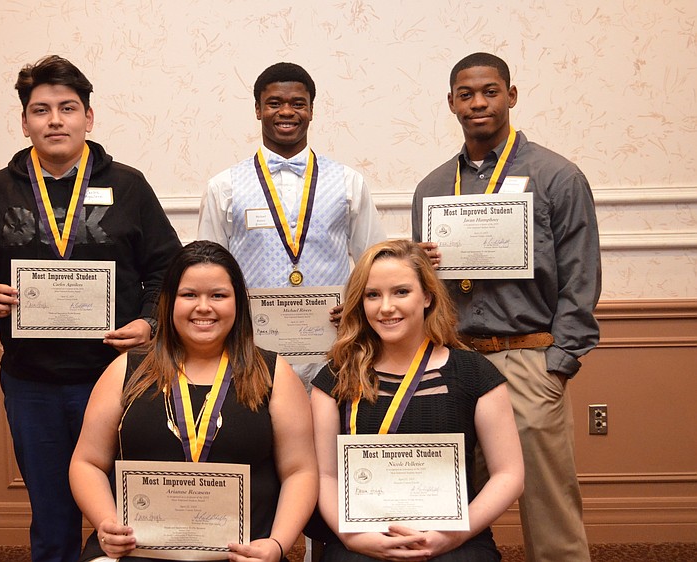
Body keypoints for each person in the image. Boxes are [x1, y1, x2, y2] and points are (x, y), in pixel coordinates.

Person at [0, 55, 182, 562]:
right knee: (52, 514)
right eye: (41, 110)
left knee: (122, 516)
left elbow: (168, 269)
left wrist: (148, 321)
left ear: (88, 118)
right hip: (31, 380)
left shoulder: (129, 185)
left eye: (67, 108)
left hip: (117, 376)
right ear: (25, 121)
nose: (55, 120)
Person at [412, 52, 601, 562]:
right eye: (466, 94)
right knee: (452, 505)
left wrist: (557, 365)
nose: (479, 103)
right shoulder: (432, 189)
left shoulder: (557, 176)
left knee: (548, 507)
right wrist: (420, 264)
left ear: (511, 96)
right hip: (452, 361)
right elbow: (419, 293)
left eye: (490, 91)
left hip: (527, 359)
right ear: (451, 103)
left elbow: (581, 278)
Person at [69, 240, 318, 562]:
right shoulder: (127, 369)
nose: (204, 307)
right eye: (189, 295)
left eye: (218, 295)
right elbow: (86, 462)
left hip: (243, 555)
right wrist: (106, 524)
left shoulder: (274, 373)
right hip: (137, 551)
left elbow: (300, 471)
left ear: (238, 303)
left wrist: (277, 544)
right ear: (169, 302)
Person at [311, 239, 523, 561]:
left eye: (400, 292)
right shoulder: (335, 378)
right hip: (362, 535)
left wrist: (448, 537)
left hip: (454, 536)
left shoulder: (474, 373)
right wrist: (353, 538)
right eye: (372, 295)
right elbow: (325, 476)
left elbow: (509, 475)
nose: (385, 307)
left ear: (427, 296)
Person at [197, 62, 386, 390]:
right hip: (252, 351)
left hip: (335, 351)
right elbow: (205, 270)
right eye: (274, 103)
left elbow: (377, 262)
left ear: (312, 110)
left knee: (329, 438)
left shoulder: (348, 182)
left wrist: (359, 308)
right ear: (258, 110)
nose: (286, 111)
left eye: (298, 103)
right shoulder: (223, 186)